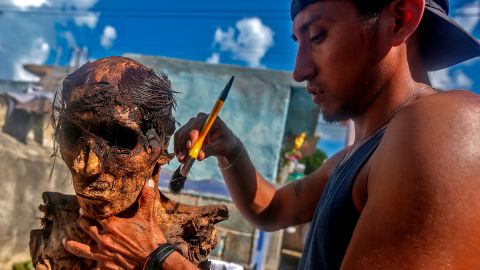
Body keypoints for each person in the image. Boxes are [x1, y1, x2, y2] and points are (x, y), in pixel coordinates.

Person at [64, 0, 480, 269]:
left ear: (400, 17)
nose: (300, 70)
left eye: (318, 35)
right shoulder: (361, 155)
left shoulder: (445, 129)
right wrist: (230, 151)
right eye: (298, 40)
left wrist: (158, 258)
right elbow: (275, 209)